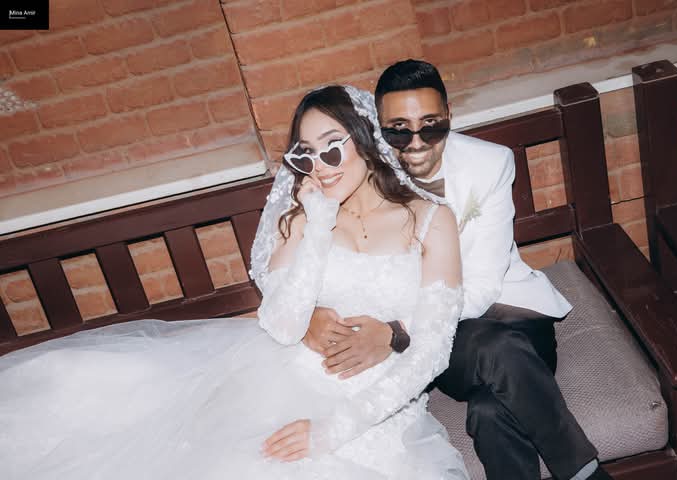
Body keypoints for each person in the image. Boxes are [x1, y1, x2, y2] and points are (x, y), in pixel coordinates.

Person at [0, 85, 468, 480]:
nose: (320, 166)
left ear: (365, 140)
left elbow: (433, 350)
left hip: (376, 398)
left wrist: (334, 429)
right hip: (288, 376)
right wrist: (319, 224)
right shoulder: (304, 218)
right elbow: (283, 326)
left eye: (331, 147)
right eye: (306, 154)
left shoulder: (430, 220)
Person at [303, 61, 612, 480]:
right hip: (445, 344)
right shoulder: (362, 177)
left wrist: (394, 330)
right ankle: (587, 473)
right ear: (378, 127)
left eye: (430, 127)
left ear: (449, 115)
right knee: (496, 351)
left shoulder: (490, 163)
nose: (416, 144)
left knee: (489, 411)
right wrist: (313, 315)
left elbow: (482, 287)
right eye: (398, 130)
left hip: (512, 315)